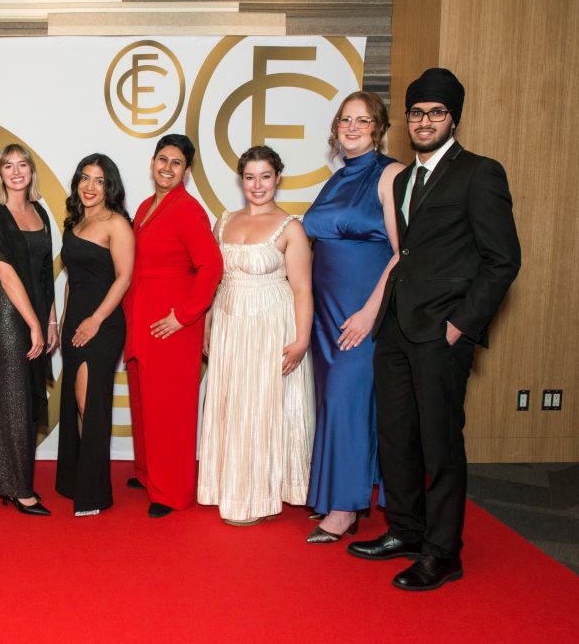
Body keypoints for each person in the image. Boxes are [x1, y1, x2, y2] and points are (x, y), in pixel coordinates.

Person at [348, 68, 521, 591]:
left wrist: (461, 326)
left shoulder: (480, 173)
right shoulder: (401, 179)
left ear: (454, 120)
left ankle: (444, 553)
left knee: (440, 444)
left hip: (442, 331)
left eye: (436, 113)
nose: (425, 122)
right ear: (407, 120)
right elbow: (407, 254)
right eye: (417, 113)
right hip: (397, 327)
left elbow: (503, 261)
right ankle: (406, 531)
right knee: (396, 437)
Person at [302, 91, 404, 542]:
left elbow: (404, 254)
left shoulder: (391, 174)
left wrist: (370, 312)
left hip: (360, 312)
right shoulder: (336, 179)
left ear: (378, 127)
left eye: (362, 121)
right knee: (332, 401)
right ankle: (333, 494)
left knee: (348, 399)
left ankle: (345, 507)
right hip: (325, 312)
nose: (352, 127)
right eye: (345, 120)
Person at [198, 146, 314, 526]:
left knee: (262, 405)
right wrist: (209, 321)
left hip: (271, 324)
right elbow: (216, 281)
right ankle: (230, 487)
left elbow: (302, 290)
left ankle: (260, 493)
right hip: (231, 320)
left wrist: (301, 340)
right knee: (233, 401)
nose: (258, 185)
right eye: (250, 177)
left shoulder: (290, 227)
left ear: (277, 178)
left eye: (265, 176)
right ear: (241, 180)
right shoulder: (224, 221)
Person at [123, 134, 224, 518]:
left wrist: (184, 315)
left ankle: (172, 491)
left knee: (169, 406)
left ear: (186, 170)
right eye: (161, 159)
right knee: (143, 397)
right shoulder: (148, 204)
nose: (167, 167)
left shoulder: (187, 209)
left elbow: (211, 266)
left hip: (171, 322)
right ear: (152, 162)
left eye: (176, 163)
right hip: (142, 313)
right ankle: (149, 473)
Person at [0, 144, 59, 515]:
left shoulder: (40, 211)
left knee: (25, 396)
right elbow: (7, 276)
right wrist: (33, 325)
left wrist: (51, 319)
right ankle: (16, 487)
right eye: (7, 166)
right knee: (12, 398)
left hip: (34, 313)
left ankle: (14, 478)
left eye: (22, 164)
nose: (15, 171)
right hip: (6, 315)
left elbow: (45, 273)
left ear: (31, 172)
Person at [55, 154, 133, 517]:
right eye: (85, 178)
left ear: (109, 186)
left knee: (91, 404)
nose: (89, 187)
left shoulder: (116, 224)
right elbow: (72, 281)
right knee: (75, 402)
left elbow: (124, 278)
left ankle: (95, 492)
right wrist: (66, 322)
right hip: (75, 323)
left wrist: (95, 320)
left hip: (102, 324)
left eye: (99, 181)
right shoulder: (74, 222)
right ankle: (76, 481)